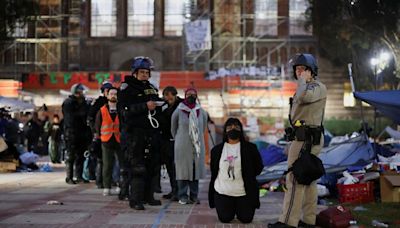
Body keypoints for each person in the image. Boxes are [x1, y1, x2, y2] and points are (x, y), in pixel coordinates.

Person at [268, 53, 327, 228]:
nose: (299, 72)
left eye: (303, 69)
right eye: (297, 69)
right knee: (308, 180)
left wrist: (302, 82)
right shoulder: (306, 87)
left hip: (307, 139)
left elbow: (305, 98)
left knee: (295, 178)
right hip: (303, 137)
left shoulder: (316, 86)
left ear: (312, 71)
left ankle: (288, 222)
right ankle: (309, 220)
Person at [118, 56, 163, 210]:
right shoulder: (127, 88)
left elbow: (155, 104)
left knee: (152, 166)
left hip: (151, 133)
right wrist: (145, 106)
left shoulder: (151, 87)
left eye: (147, 72)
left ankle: (148, 197)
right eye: (142, 72)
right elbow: (124, 111)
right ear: (135, 73)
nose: (145, 74)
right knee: (137, 167)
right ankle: (135, 199)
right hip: (134, 134)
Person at [208, 118, 263, 223]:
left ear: (241, 130)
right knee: (225, 218)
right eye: (229, 127)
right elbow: (214, 170)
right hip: (223, 192)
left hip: (244, 193)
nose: (233, 129)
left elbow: (258, 167)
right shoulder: (216, 150)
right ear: (225, 131)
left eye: (236, 127)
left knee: (246, 219)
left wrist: (249, 176)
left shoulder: (251, 148)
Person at [171, 87, 207, 205]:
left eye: (193, 94)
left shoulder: (201, 111)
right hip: (182, 144)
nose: (191, 96)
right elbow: (173, 128)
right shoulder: (179, 110)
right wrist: (180, 138)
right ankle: (182, 195)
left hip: (196, 145)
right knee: (183, 170)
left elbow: (203, 127)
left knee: (195, 170)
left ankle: (194, 195)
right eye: (189, 94)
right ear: (185, 96)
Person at [95, 87, 123, 196]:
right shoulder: (102, 110)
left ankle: (121, 185)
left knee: (121, 164)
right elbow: (97, 125)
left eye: (115, 94)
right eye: (111, 94)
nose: (113, 96)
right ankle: (107, 186)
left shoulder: (121, 109)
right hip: (106, 141)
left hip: (119, 140)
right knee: (107, 165)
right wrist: (98, 137)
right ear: (107, 95)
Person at [62, 83, 91, 184]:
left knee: (81, 156)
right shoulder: (69, 103)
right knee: (70, 156)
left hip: (82, 133)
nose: (82, 94)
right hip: (71, 133)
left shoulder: (84, 103)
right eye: (80, 92)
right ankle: (69, 177)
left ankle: (79, 176)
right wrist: (82, 114)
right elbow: (70, 119)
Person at [88, 81, 113, 188]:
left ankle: (108, 181)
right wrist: (95, 132)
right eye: (108, 91)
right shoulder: (99, 103)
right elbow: (90, 118)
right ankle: (100, 181)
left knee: (109, 160)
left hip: (112, 136)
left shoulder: (113, 103)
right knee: (101, 160)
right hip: (100, 136)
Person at [160, 86, 183, 201]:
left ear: (175, 95)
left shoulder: (181, 106)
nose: (168, 98)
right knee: (169, 166)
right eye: (166, 95)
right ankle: (174, 190)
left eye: (171, 95)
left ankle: (179, 191)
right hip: (166, 141)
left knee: (176, 168)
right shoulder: (163, 105)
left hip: (178, 141)